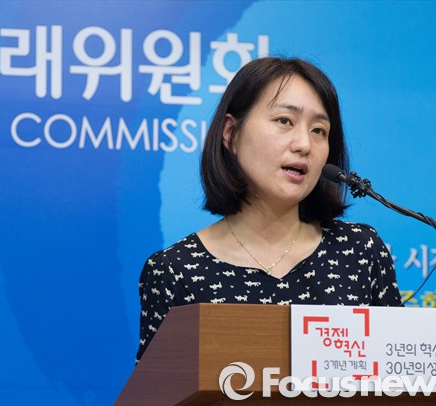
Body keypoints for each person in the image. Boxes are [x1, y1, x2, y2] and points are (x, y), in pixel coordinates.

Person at [136, 57, 402, 363]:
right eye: (284, 121)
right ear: (230, 133)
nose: (304, 144)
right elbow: (158, 389)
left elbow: (400, 375)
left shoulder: (359, 251)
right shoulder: (175, 271)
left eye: (319, 130)